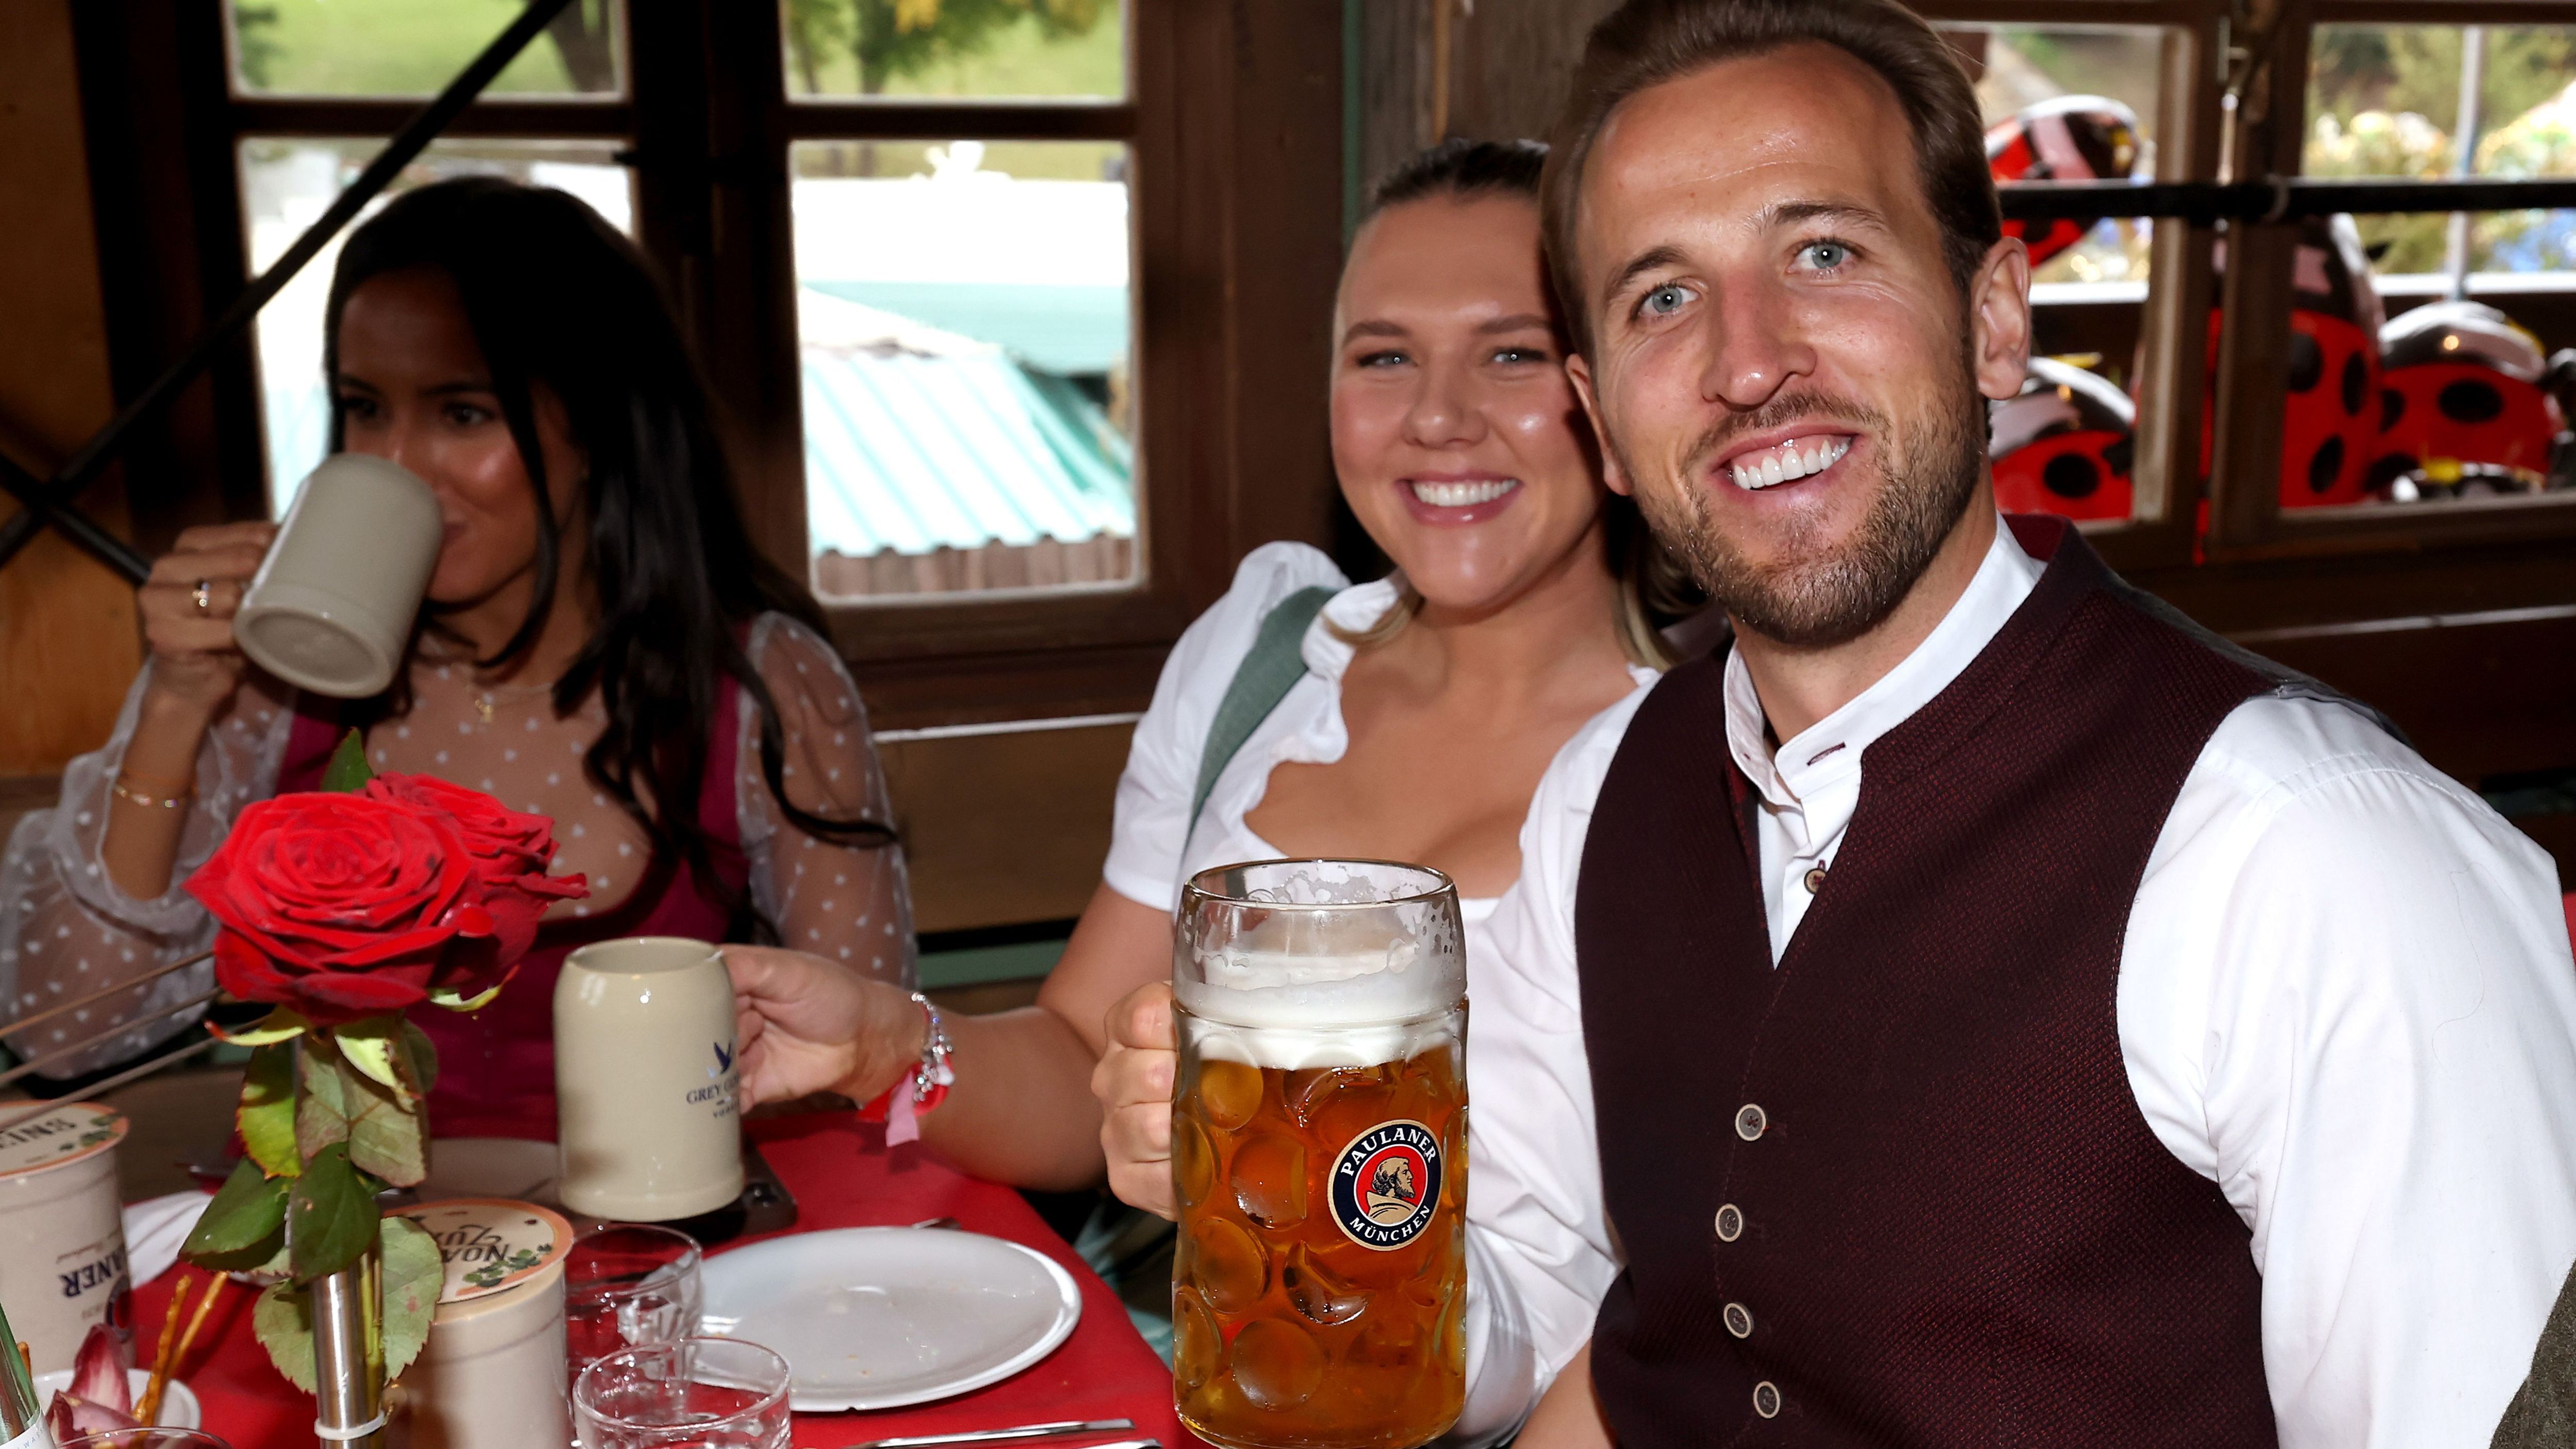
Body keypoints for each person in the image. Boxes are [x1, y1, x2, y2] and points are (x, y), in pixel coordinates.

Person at [1467, 1, 2576, 1444]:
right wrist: (1303, 1234)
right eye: (1661, 299)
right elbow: (1541, 1310)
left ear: (1994, 318)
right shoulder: (1596, 798)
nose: (1747, 363)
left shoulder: (2317, 865)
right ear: (1603, 424)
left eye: (1822, 253)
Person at [722, 139, 1697, 1441]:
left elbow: (1687, 1300)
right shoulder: (1262, 660)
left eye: (1512, 352)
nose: (1438, 416)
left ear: (1607, 389)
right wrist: (884, 1041)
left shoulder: (1715, 773)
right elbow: (1081, 1061)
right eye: (1382, 353)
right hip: (1216, 1391)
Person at [0, 178, 911, 1139]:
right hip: (351, 1267)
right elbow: (72, 1037)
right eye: (364, 408)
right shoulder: (265, 684)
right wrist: (176, 702)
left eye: (462, 414)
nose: (400, 467)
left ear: (597, 424)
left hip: (657, 1254)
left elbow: (872, 1056)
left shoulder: (762, 687)